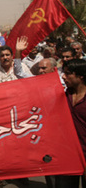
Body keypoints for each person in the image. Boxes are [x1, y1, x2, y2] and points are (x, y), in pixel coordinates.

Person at [56, 59, 86, 187]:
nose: (64, 76)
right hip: (68, 155)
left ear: (80, 76)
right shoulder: (64, 95)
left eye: (68, 74)